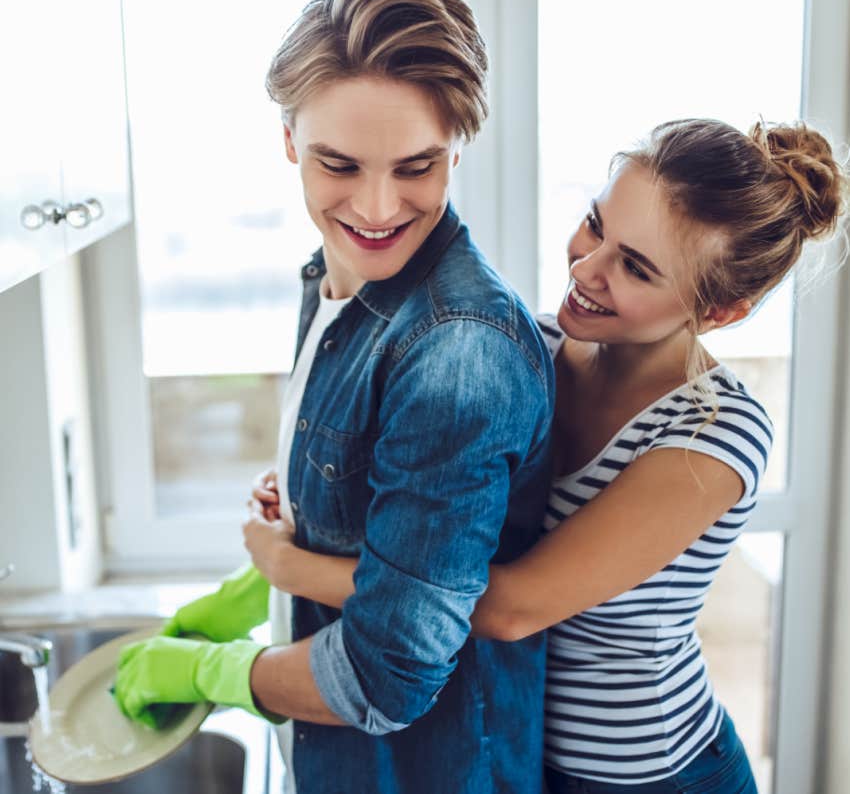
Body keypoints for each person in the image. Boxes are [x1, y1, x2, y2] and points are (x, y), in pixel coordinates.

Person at [244, 117, 847, 793]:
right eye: (596, 225)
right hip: (519, 752)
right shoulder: (528, 345)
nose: (587, 269)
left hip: (651, 777)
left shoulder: (713, 434)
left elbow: (512, 608)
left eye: (637, 267)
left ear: (723, 313)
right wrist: (309, 501)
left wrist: (291, 566)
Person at [113, 0, 555, 794]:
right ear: (288, 141)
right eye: (340, 165)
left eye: (417, 167)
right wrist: (300, 525)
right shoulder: (337, 280)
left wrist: (210, 671)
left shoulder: (459, 350)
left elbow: (385, 678)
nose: (379, 208)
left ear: (460, 145)